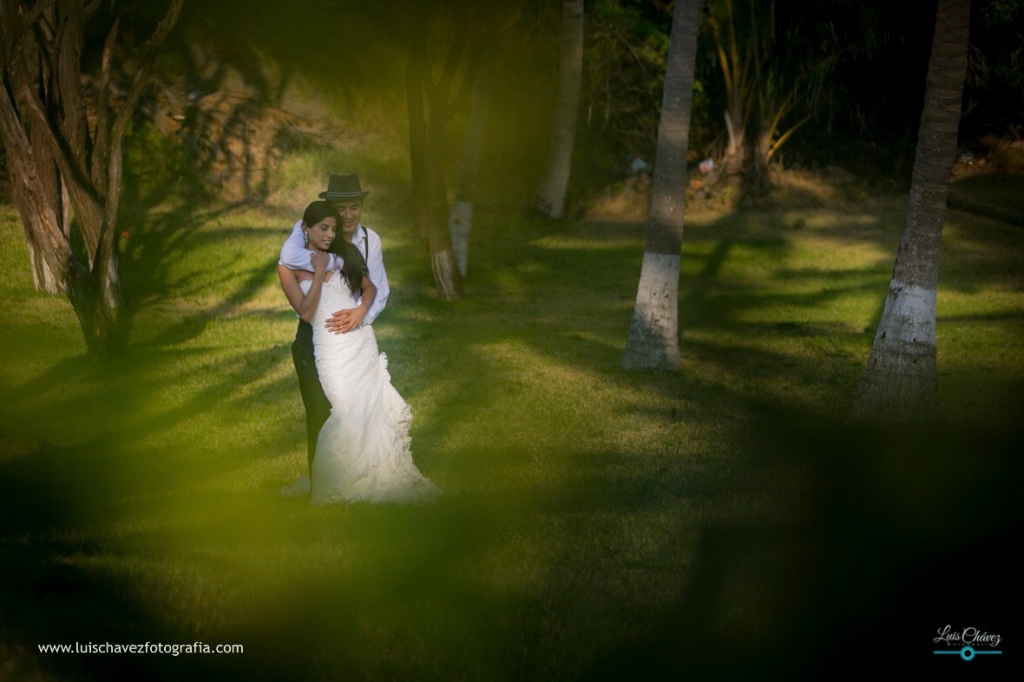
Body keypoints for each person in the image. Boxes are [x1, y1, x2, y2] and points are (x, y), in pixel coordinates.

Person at [278, 202, 438, 504]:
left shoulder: (345, 256)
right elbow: (306, 312)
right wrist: (319, 270)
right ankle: (335, 479)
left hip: (360, 341)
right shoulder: (288, 266)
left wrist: (360, 311)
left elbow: (370, 288)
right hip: (330, 349)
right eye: (323, 228)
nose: (329, 234)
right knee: (341, 408)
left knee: (368, 407)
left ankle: (373, 471)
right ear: (305, 229)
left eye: (333, 229)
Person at [279, 174, 390, 491]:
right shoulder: (305, 238)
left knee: (362, 407)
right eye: (340, 209)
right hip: (316, 335)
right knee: (320, 410)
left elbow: (377, 290)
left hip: (357, 334)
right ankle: (323, 485)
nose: (348, 215)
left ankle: (363, 476)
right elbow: (289, 262)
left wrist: (358, 317)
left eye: (354, 207)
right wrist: (324, 268)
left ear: (361, 207)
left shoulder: (370, 241)